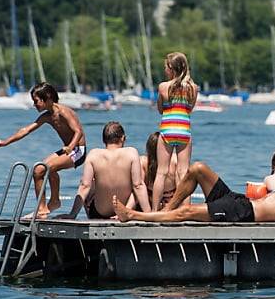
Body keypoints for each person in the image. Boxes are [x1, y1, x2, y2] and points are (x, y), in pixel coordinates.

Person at [112, 161, 275, 224]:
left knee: (186, 212)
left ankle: (133, 216)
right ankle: (164, 210)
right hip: (238, 200)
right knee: (198, 169)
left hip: (241, 213)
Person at [0, 82, 86, 217]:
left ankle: (51, 204)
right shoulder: (47, 116)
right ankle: (47, 205)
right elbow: (25, 130)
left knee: (47, 167)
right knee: (38, 170)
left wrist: (70, 147)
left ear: (48, 97)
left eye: (36, 101)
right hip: (67, 150)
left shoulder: (64, 112)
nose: (34, 104)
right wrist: (5, 142)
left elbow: (78, 131)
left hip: (78, 150)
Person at [63, 122, 150, 220]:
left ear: (104, 140)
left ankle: (91, 219)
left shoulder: (93, 155)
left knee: (85, 183)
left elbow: (84, 186)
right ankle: (127, 211)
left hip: (99, 213)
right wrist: (149, 214)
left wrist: (72, 214)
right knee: (138, 181)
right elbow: (138, 186)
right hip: (127, 211)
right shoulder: (131, 152)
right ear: (123, 138)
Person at [153, 52, 198, 211]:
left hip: (167, 131)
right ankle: (184, 209)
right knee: (183, 173)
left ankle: (153, 211)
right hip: (184, 131)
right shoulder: (193, 88)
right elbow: (189, 109)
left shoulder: (163, 87)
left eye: (166, 67)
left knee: (161, 172)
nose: (164, 69)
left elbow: (160, 110)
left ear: (172, 68)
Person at [142, 132, 176, 210]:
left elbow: (138, 187)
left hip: (150, 201)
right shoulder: (174, 161)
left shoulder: (143, 162)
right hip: (171, 200)